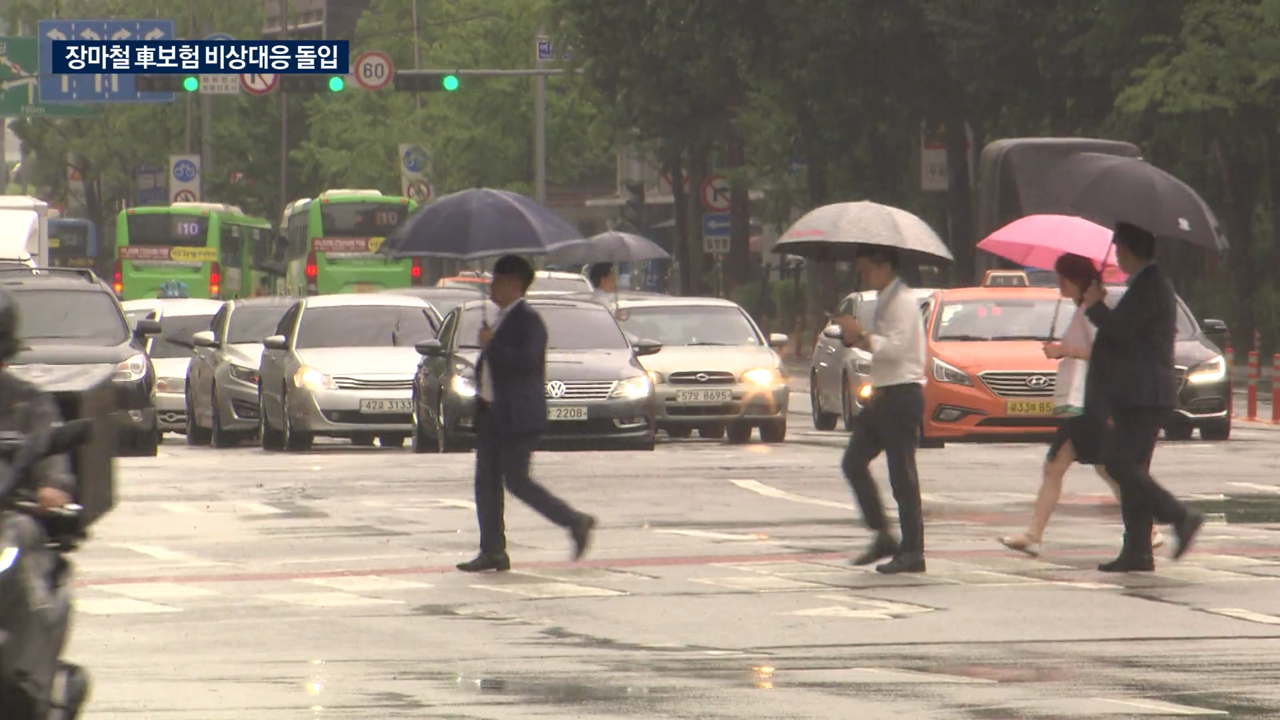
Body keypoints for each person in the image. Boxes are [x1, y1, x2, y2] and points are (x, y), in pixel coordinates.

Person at [999, 253, 1163, 556]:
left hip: (1091, 401)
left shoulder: (1092, 310)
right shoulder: (1083, 309)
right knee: (1061, 466)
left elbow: (1105, 354)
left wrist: (1065, 350)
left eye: (1062, 277)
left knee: (1106, 467)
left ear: (1076, 280)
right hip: (1080, 401)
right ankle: (1034, 535)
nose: (1059, 283)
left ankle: (1147, 527)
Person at [457, 255, 596, 573]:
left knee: (517, 481)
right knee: (486, 484)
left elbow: (527, 363)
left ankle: (575, 521)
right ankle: (492, 550)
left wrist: (491, 346)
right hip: (492, 415)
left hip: (517, 416)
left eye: (497, 280)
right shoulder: (502, 318)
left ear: (513, 284)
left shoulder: (528, 320)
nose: (491, 285)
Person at [1080, 222, 1203, 572]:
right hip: (1138, 393)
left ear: (1131, 250)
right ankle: (1137, 549)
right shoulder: (1146, 285)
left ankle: (1180, 516)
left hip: (1145, 394)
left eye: (1119, 251)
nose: (1117, 256)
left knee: (1118, 463)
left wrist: (1096, 306)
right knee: (1132, 468)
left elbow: (1121, 333)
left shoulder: (1151, 285)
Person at [0, 288, 85, 718]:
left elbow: (52, 458)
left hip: (12, 519)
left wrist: (51, 489)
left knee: (24, 549)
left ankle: (29, 676)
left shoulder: (30, 403)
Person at [836, 246, 928, 574]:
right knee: (853, 461)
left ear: (886, 265)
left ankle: (913, 550)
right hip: (883, 393)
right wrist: (854, 336)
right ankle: (882, 533)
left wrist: (862, 335)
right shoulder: (886, 300)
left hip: (902, 393)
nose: (865, 275)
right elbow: (880, 346)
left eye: (868, 269)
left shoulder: (902, 302)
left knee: (902, 474)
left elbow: (897, 349)